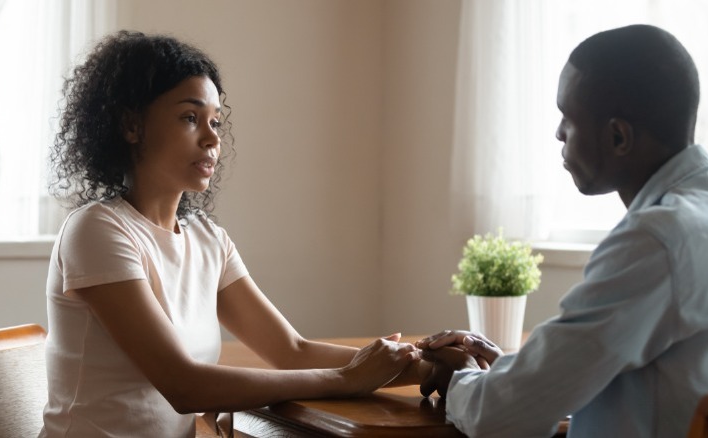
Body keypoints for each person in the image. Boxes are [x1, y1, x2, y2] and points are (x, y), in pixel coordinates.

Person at [41, 30, 424, 437]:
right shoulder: (97, 231)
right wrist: (348, 380)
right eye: (190, 118)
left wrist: (425, 363)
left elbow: (292, 352)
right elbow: (185, 385)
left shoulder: (208, 239)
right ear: (131, 125)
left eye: (215, 122)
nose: (212, 139)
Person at [416, 24, 708, 437]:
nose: (558, 133)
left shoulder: (655, 241)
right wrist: (510, 366)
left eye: (568, 117)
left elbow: (501, 418)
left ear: (617, 136)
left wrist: (462, 380)